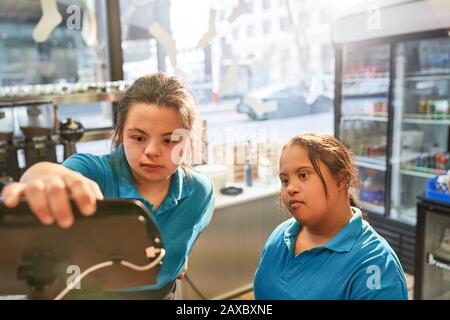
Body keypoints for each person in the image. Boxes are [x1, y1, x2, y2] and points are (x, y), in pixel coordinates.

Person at [1, 72, 215, 299]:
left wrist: (178, 258)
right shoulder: (97, 173)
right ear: (121, 133)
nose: (152, 151)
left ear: (188, 140)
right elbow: (49, 174)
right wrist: (43, 178)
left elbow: (186, 237)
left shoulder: (199, 193)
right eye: (139, 138)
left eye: (169, 140)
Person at [253, 132, 408, 300]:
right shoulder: (281, 235)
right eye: (285, 180)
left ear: (341, 180)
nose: (290, 188)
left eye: (303, 175)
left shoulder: (375, 264)